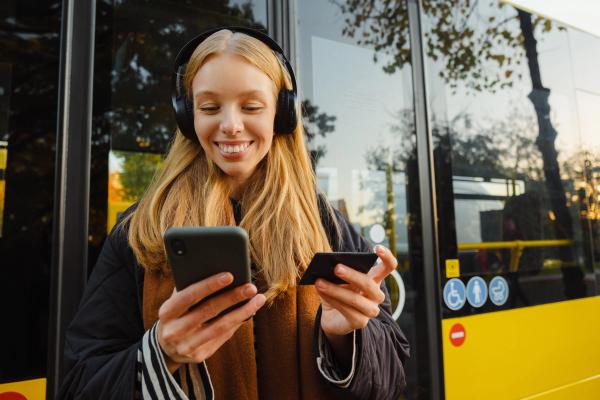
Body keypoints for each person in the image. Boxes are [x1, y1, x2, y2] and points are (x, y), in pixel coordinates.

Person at [58, 27, 409, 400]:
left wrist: (346, 337)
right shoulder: (139, 231)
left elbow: (390, 379)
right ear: (187, 115)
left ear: (282, 113)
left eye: (251, 106)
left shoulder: (325, 224)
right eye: (209, 107)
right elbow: (80, 383)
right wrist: (161, 353)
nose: (230, 125)